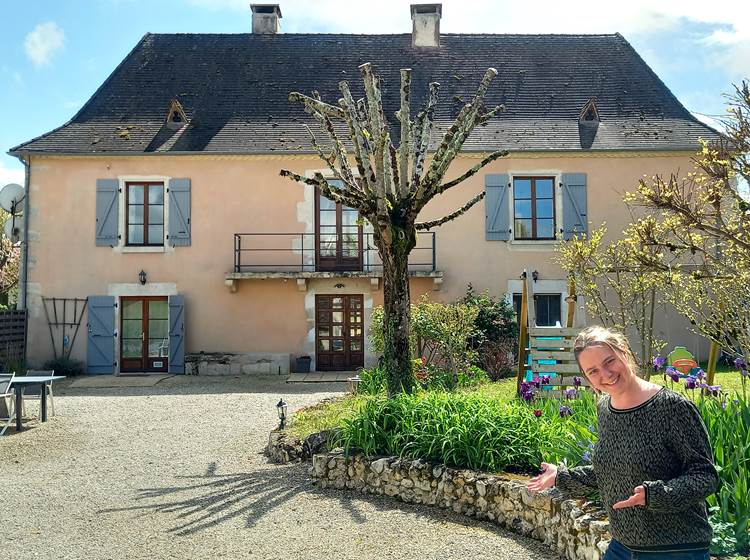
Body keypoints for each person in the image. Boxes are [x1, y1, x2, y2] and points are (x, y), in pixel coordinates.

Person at [527, 326, 718, 560]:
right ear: (587, 378)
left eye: (609, 361)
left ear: (624, 352)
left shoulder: (672, 407)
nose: (605, 374)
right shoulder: (605, 409)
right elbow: (611, 472)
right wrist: (561, 476)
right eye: (593, 371)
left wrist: (656, 495)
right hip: (621, 547)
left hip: (675, 549)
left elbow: (705, 476)